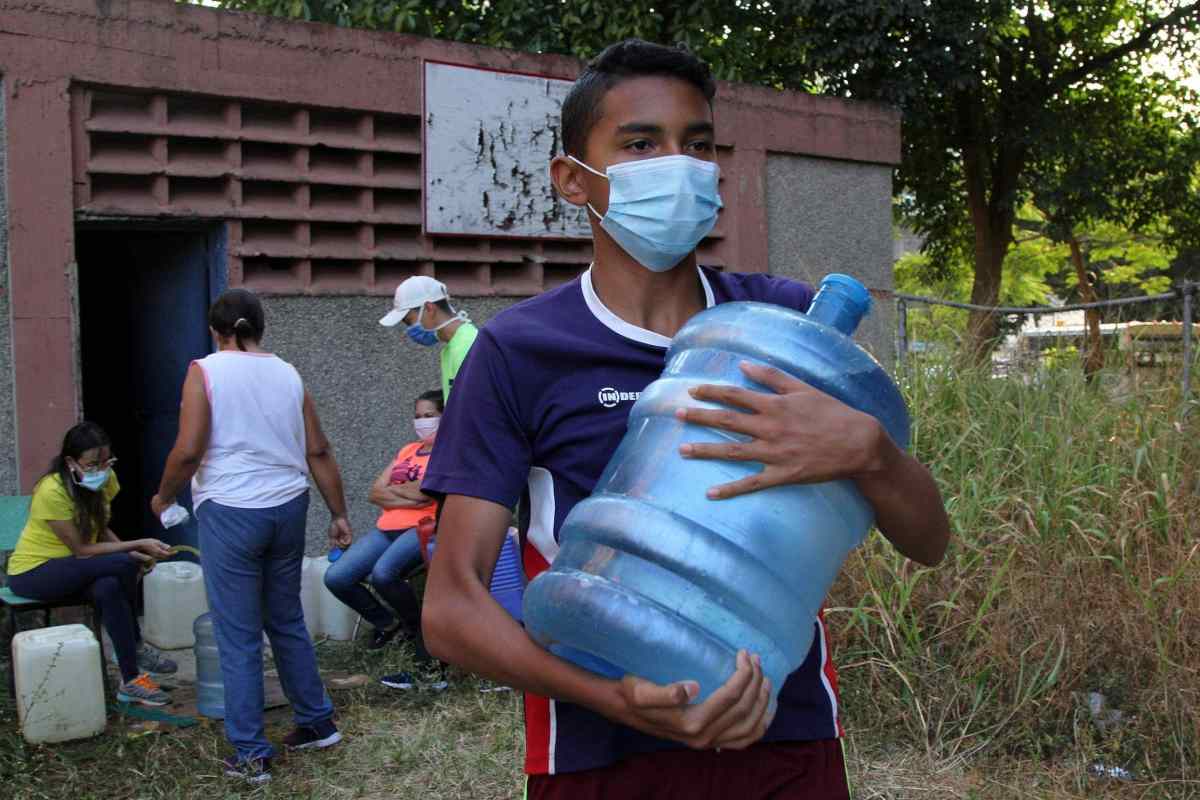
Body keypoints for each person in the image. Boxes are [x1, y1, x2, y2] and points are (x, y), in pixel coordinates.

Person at [420, 39, 952, 799]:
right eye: (641, 144)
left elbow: (929, 541)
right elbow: (451, 607)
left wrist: (872, 454)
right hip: (600, 750)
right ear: (574, 179)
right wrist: (607, 696)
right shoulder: (519, 352)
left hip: (783, 732)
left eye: (697, 145)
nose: (680, 164)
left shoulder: (789, 330)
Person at [151, 288, 351, 785]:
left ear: (215, 331)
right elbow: (319, 450)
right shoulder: (287, 372)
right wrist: (340, 513)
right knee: (284, 618)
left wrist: (163, 496)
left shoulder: (206, 370)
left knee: (237, 635)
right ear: (260, 327)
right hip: (288, 507)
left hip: (232, 510)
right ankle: (317, 721)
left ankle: (250, 754)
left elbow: (188, 450)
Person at [6, 422, 177, 706]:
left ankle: (131, 679)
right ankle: (135, 645)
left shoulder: (105, 480)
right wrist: (135, 546)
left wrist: (134, 555)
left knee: (108, 587)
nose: (100, 470)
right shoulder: (51, 491)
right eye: (92, 464)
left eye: (105, 462)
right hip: (34, 572)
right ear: (71, 462)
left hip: (76, 567)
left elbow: (100, 529)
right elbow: (82, 549)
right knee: (121, 566)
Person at [323, 388, 448, 690]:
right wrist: (409, 494)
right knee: (337, 577)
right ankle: (389, 624)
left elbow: (425, 495)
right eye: (418, 416)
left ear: (445, 417)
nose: (422, 422)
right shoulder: (408, 450)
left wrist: (397, 494)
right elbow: (374, 492)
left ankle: (419, 630)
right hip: (387, 528)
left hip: (422, 526)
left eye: (429, 416)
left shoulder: (448, 452)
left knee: (383, 575)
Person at [379, 276, 478, 401]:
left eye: (409, 321)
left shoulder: (467, 345)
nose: (409, 329)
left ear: (429, 309)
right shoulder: (454, 345)